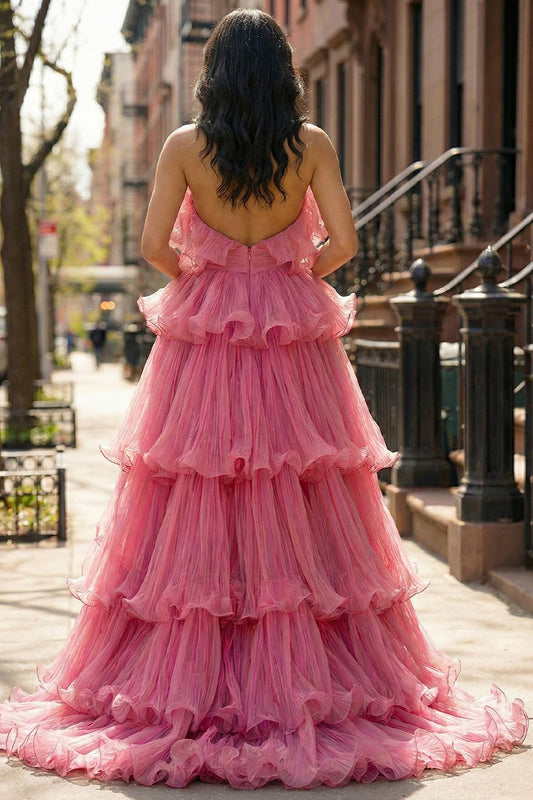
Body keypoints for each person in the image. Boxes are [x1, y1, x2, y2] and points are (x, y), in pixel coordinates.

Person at [0, 9, 527, 789]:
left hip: (206, 348)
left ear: (214, 72)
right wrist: (287, 272)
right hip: (290, 344)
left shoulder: (184, 146)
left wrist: (209, 274)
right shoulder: (309, 144)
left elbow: (151, 250)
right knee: (303, 493)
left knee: (197, 496)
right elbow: (343, 245)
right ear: (283, 70)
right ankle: (303, 673)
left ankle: (199, 673)